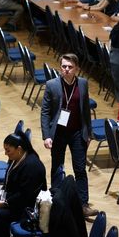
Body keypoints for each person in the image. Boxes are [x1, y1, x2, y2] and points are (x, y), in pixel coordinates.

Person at [41, 54, 95, 215]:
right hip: (58, 132)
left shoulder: (83, 84)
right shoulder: (52, 85)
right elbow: (45, 112)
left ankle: (83, 204)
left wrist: (89, 133)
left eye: (70, 67)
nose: (66, 69)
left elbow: (86, 110)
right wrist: (46, 136)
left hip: (78, 132)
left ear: (76, 68)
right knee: (57, 166)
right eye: (64, 66)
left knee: (80, 168)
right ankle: (57, 201)